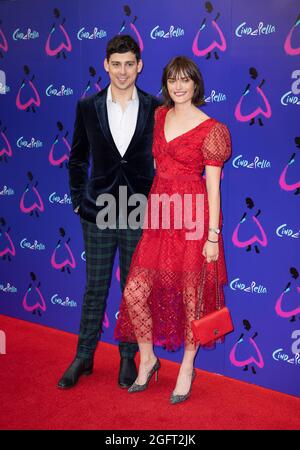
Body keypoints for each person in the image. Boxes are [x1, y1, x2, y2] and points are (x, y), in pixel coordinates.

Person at [114, 56, 231, 403]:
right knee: (135, 291)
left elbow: (214, 188)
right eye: (171, 80)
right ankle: (148, 358)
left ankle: (186, 366)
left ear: (196, 84)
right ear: (165, 84)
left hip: (194, 220)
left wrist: (213, 236)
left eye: (185, 80)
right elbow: (154, 165)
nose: (178, 87)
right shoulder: (159, 116)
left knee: (192, 298)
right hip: (160, 216)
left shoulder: (213, 129)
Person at [57, 35, 161, 389]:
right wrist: (76, 199)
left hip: (138, 212)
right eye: (116, 64)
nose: (122, 71)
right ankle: (84, 356)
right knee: (95, 289)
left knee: (134, 290)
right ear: (106, 65)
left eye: (129, 64)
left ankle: (127, 357)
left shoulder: (155, 107)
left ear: (139, 66)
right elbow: (76, 158)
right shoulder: (87, 107)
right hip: (98, 211)